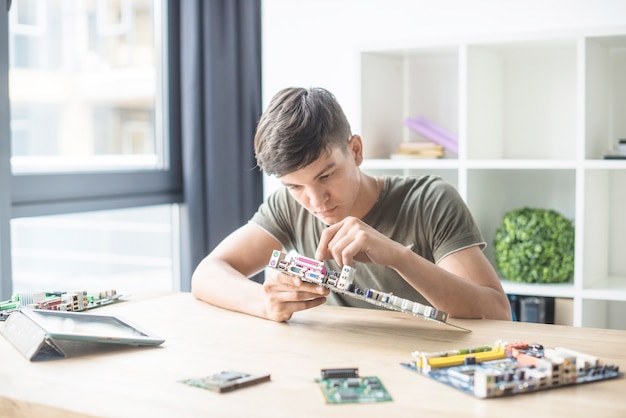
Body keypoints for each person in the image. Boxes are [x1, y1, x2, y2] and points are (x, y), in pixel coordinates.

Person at [191, 87, 512, 322]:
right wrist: (266, 302)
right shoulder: (288, 207)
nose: (316, 201)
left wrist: (399, 257)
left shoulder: (430, 200)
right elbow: (207, 274)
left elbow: (497, 312)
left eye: (327, 175)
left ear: (355, 150)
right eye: (295, 187)